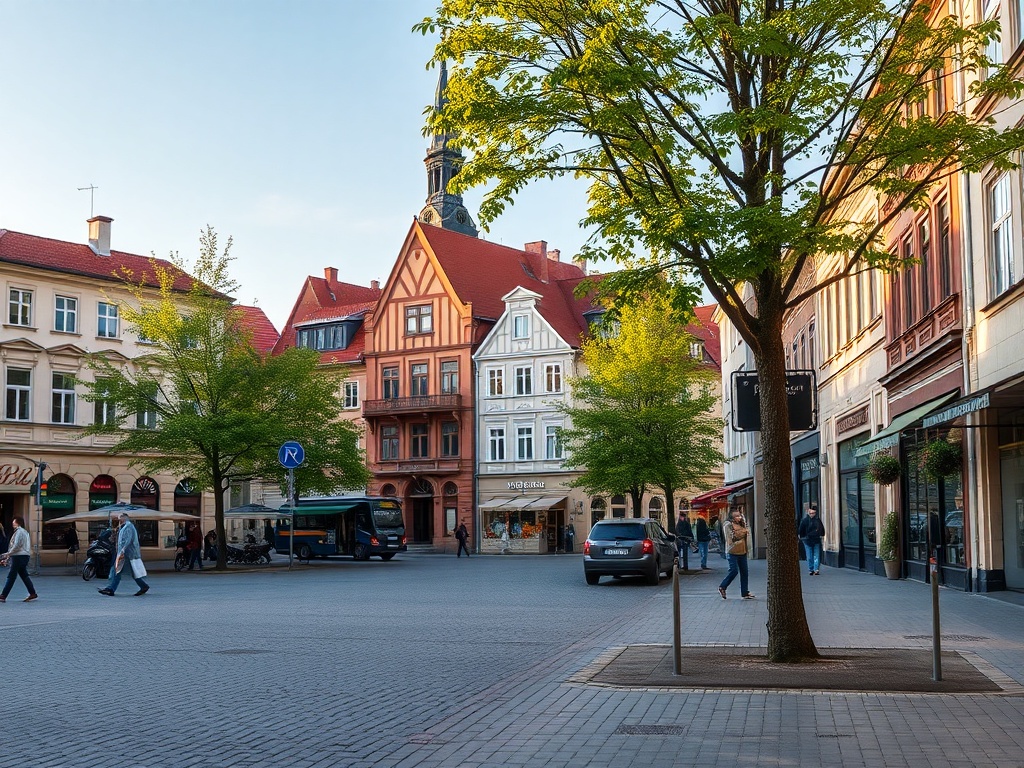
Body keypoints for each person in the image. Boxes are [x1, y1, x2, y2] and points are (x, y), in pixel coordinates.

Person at [98, 512, 150, 597]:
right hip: (125, 554)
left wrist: (122, 551)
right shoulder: (124, 527)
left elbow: (127, 540)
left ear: (124, 518)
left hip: (127, 554)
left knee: (117, 571)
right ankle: (143, 586)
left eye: (120, 518)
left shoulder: (128, 527)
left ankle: (111, 589)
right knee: (129, 572)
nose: (118, 519)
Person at [718, 510, 754, 599]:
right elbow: (730, 539)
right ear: (732, 517)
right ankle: (723, 586)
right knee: (734, 571)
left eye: (740, 515)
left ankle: (745, 592)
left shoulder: (743, 524)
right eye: (737, 516)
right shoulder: (728, 525)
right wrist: (743, 533)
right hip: (732, 552)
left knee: (744, 572)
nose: (739, 517)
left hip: (743, 551)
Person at [0, 516, 37, 603]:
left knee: (11, 576)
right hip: (24, 556)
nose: (12, 523)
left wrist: (7, 554)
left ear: (17, 522)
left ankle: (3, 595)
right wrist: (8, 557)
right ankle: (32, 593)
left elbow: (16, 546)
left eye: (14, 521)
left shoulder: (19, 532)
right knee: (24, 575)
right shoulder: (25, 532)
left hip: (18, 556)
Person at [798, 502, 826, 575]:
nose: (812, 515)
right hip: (809, 540)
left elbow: (801, 530)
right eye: (811, 513)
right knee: (811, 555)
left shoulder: (814, 520)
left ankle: (815, 569)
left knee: (814, 555)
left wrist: (801, 537)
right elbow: (801, 529)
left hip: (812, 539)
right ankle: (812, 569)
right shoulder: (806, 520)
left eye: (813, 513)